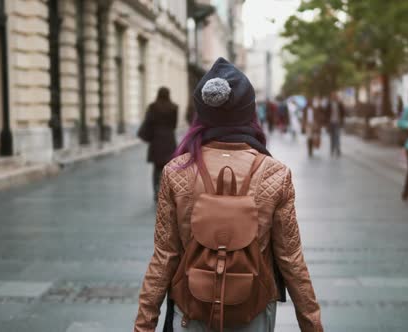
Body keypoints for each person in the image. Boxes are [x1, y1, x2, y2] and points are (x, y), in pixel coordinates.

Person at [135, 58, 323, 332]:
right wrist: (312, 325)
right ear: (249, 112)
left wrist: (144, 326)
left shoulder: (176, 171)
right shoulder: (275, 173)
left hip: (191, 311)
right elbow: (291, 260)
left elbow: (164, 257)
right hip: (254, 311)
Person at [137, 87, 178, 201]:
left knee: (156, 168)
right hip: (169, 140)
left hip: (156, 140)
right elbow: (174, 125)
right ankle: (167, 191)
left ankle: (156, 191)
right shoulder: (174, 107)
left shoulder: (153, 107)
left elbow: (148, 122)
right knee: (169, 168)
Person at [324, 92, 346, 157]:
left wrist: (342, 120)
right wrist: (326, 123)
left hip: (337, 122)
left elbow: (343, 112)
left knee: (337, 136)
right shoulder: (329, 104)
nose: (334, 97)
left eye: (335, 96)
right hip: (331, 122)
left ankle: (338, 149)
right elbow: (326, 114)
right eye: (333, 96)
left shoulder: (339, 104)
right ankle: (332, 149)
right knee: (332, 137)